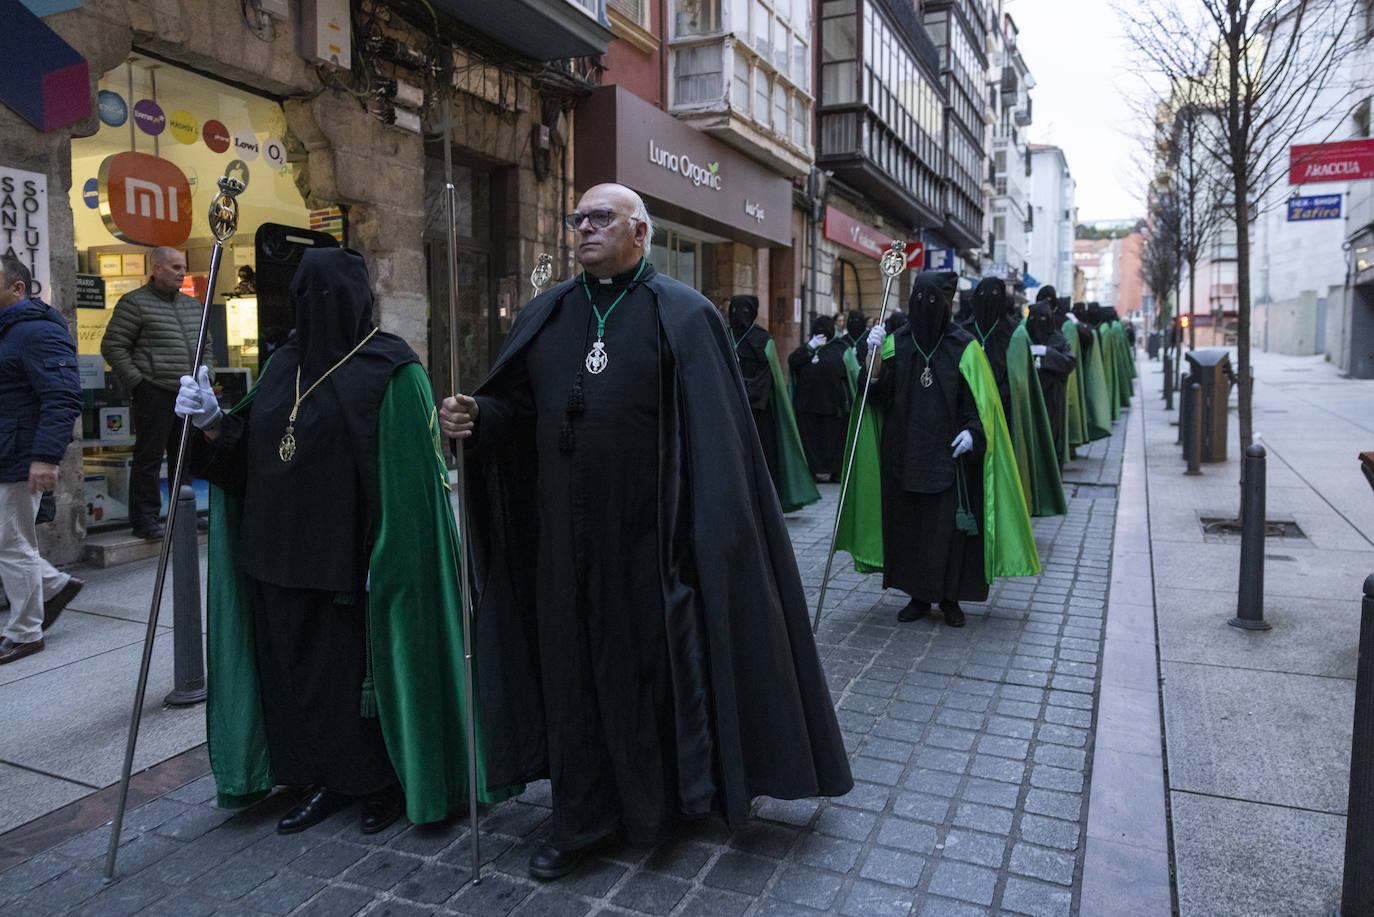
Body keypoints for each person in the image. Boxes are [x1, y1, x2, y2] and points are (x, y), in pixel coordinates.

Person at [438, 183, 852, 880]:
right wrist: (475, 416)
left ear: (640, 231)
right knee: (571, 675)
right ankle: (581, 818)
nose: (583, 228)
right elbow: (514, 410)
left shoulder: (684, 316)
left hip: (653, 544)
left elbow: (719, 445)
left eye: (601, 217)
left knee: (647, 675)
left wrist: (715, 538)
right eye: (578, 218)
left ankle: (661, 802)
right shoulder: (550, 313)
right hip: (561, 546)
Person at [175, 248, 504, 836]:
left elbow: (411, 480)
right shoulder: (283, 366)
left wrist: (392, 554)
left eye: (325, 296)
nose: (313, 308)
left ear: (358, 299)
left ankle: (374, 782)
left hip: (349, 561)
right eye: (303, 296)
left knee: (352, 684)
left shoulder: (392, 369)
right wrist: (212, 424)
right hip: (274, 555)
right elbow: (247, 460)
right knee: (295, 680)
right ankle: (315, 777)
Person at [834, 273, 1039, 628]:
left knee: (948, 535)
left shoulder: (965, 347)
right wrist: (872, 353)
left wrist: (974, 433)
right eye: (919, 301)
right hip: (905, 454)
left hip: (950, 458)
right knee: (911, 530)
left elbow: (982, 402)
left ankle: (950, 598)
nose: (925, 309)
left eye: (933, 302)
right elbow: (874, 393)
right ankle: (917, 595)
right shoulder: (897, 344)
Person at [0, 257, 84, 664]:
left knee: (11, 542)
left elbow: (63, 396)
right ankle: (53, 585)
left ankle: (25, 632)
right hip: (7, 451)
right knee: (9, 541)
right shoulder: (8, 332)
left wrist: (46, 457)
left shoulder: (35, 332)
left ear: (18, 288)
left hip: (19, 456)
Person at [101, 246, 212, 540]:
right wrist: (139, 383)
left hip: (188, 393)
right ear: (157, 269)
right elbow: (113, 346)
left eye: (183, 266)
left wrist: (205, 376)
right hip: (155, 391)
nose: (181, 272)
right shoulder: (134, 303)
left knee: (185, 457)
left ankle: (183, 514)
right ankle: (145, 519)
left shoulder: (192, 306)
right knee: (149, 459)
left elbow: (207, 345)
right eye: (175, 267)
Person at [965, 278, 1065, 517]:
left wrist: (998, 398)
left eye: (994, 294)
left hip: (1006, 412)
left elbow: (1020, 380)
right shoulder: (964, 331)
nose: (988, 299)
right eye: (983, 294)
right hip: (969, 412)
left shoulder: (1015, 334)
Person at [727, 294, 818, 512]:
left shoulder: (763, 339)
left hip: (758, 412)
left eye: (746, 310)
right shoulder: (723, 334)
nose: (740, 316)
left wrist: (744, 396)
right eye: (735, 310)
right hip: (729, 409)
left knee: (762, 457)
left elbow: (767, 377)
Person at [789, 315, 856, 481]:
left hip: (835, 407)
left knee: (834, 443)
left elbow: (853, 373)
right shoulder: (807, 349)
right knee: (810, 442)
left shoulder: (842, 348)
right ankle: (812, 470)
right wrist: (810, 347)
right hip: (808, 406)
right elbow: (793, 363)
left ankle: (836, 471)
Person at [1025, 299, 1078, 469]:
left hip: (1051, 399)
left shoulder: (1058, 339)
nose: (1037, 323)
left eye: (1042, 318)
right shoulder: (1023, 337)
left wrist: (1047, 353)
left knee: (1050, 440)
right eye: (1034, 318)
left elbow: (1069, 362)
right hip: (1027, 398)